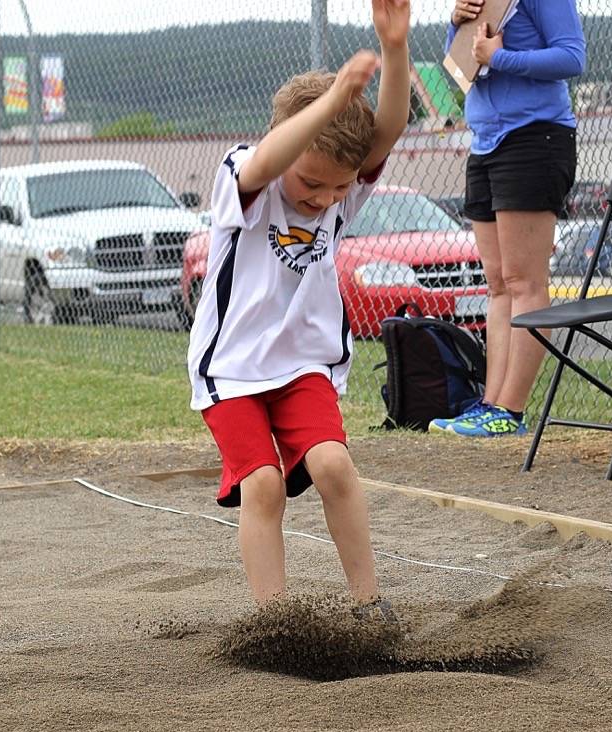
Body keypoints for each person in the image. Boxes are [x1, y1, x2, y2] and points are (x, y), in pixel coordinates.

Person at [186, 0, 410, 613]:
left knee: (334, 464)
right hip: (231, 369)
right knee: (263, 485)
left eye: (339, 188)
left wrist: (394, 49)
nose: (325, 199)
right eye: (311, 184)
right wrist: (333, 99)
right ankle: (276, 620)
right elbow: (271, 159)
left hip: (303, 363)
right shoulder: (245, 179)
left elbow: (385, 129)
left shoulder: (339, 191)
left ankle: (369, 605)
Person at [430, 0, 586, 437]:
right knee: (497, 283)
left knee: (524, 281)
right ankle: (489, 404)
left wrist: (499, 57)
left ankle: (510, 411)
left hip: (535, 138)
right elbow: (461, 69)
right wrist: (455, 24)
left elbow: (571, 56)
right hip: (485, 142)